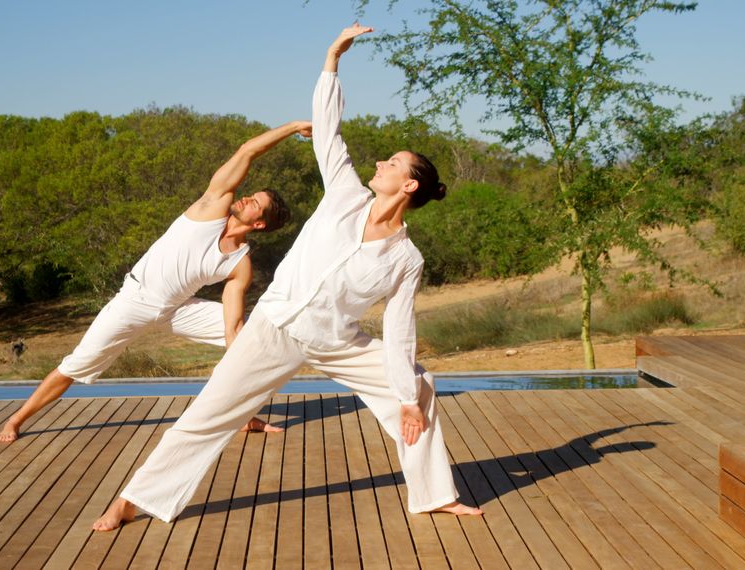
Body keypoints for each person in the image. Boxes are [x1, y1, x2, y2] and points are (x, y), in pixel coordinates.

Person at [92, 23, 483, 531]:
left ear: (408, 184)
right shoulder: (345, 193)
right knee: (207, 415)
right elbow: (329, 128)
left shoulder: (406, 258)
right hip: (274, 327)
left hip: (336, 341)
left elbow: (400, 331)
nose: (381, 163)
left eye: (393, 163)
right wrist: (332, 61)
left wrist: (406, 400)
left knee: (420, 389)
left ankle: (433, 494)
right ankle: (135, 499)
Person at [0, 120, 311, 443]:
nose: (244, 199)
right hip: (134, 300)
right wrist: (292, 128)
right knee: (77, 364)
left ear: (258, 224)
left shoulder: (239, 264)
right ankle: (16, 419)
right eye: (249, 195)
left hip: (176, 309)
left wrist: (240, 365)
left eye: (254, 203)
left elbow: (231, 330)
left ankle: (242, 415)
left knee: (250, 338)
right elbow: (248, 150)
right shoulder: (211, 205)